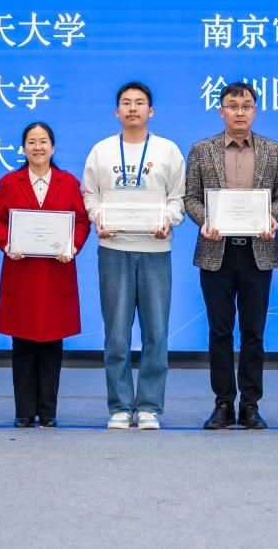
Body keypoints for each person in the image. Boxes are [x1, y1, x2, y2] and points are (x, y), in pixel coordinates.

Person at [184, 81, 278, 431]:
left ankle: (250, 404)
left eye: (246, 106)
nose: (240, 112)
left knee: (253, 333)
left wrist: (272, 217)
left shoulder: (273, 150)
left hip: (258, 252)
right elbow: (190, 198)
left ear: (255, 111)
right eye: (233, 106)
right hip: (217, 251)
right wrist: (205, 220)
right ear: (221, 111)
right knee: (220, 332)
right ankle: (222, 403)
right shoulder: (202, 150)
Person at [81, 82, 185, 431]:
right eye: (126, 103)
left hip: (155, 250)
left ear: (150, 111)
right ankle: (121, 406)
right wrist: (98, 218)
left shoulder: (168, 150)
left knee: (156, 331)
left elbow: (177, 198)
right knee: (116, 333)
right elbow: (90, 194)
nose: (133, 108)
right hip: (114, 249)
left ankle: (150, 406)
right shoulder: (102, 151)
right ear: (117, 112)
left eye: (140, 103)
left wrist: (168, 221)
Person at [0, 122, 91, 427]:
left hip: (56, 272)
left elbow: (82, 221)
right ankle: (23, 411)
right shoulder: (9, 182)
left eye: (43, 141)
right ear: (23, 149)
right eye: (31, 142)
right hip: (22, 272)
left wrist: (72, 246)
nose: (37, 147)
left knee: (51, 346)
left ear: (53, 147)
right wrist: (7, 243)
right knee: (22, 346)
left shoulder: (68, 182)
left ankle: (47, 411)